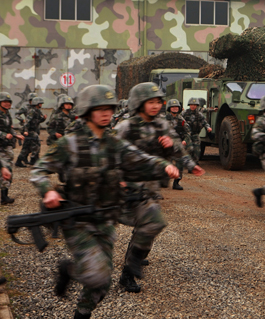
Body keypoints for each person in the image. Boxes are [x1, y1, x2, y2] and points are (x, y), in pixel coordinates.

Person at [30, 85, 180, 319]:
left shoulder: (113, 143)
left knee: (102, 284)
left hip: (106, 221)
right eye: (99, 109)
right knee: (97, 275)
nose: (106, 114)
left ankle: (79, 305)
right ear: (87, 111)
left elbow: (140, 158)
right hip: (79, 222)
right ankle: (72, 270)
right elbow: (39, 170)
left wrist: (163, 165)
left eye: (109, 109)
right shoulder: (70, 143)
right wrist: (47, 191)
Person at [114, 83, 204, 293]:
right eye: (150, 102)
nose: (155, 106)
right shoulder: (126, 127)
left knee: (151, 225)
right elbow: (109, 152)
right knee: (138, 224)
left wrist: (189, 163)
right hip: (127, 186)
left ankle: (129, 270)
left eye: (157, 102)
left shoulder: (162, 125)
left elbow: (177, 147)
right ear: (139, 103)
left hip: (151, 185)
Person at [0, 92, 24, 204]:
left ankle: (4, 196)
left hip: (6, 146)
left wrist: (15, 134)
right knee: (4, 168)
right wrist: (4, 135)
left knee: (7, 168)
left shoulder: (7, 114)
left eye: (8, 102)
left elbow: (9, 128)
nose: (7, 104)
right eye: (4, 101)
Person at [164, 99, 191, 190]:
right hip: (166, 145)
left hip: (178, 145)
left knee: (180, 163)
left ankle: (176, 182)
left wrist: (185, 141)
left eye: (176, 107)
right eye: (173, 107)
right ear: (169, 108)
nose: (175, 109)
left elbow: (188, 132)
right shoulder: (164, 119)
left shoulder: (181, 120)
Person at [16, 96, 46, 167]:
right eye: (40, 103)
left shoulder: (38, 111)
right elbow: (27, 121)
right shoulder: (32, 111)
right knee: (37, 143)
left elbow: (38, 121)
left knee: (26, 146)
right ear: (36, 103)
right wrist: (26, 131)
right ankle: (34, 159)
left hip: (33, 130)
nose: (41, 104)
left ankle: (20, 161)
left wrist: (43, 118)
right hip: (29, 130)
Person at [181, 97, 211, 163]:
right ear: (189, 105)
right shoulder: (184, 113)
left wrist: (208, 127)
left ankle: (195, 162)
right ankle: (187, 162)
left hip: (195, 134)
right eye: (192, 105)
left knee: (197, 150)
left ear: (197, 106)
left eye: (194, 105)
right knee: (189, 149)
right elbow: (180, 121)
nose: (193, 106)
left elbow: (204, 122)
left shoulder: (199, 114)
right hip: (187, 135)